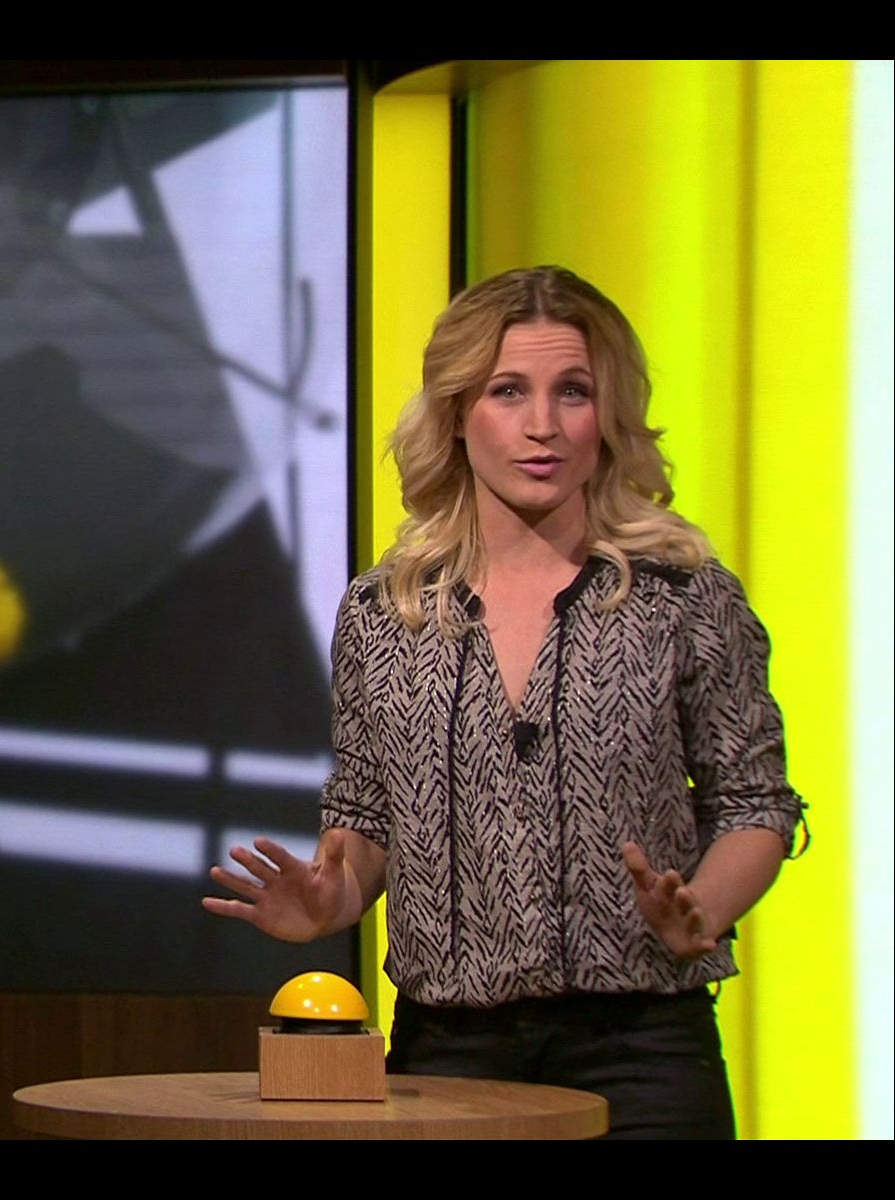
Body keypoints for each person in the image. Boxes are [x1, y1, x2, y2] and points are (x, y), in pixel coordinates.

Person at [203, 265, 806, 1139]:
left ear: (609, 412)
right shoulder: (386, 611)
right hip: (452, 1050)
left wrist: (704, 907)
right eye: (508, 391)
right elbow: (367, 818)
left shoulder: (683, 596)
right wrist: (334, 902)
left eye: (574, 392)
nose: (542, 425)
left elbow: (755, 803)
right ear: (457, 412)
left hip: (643, 1047)